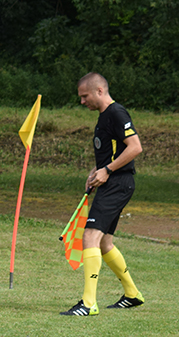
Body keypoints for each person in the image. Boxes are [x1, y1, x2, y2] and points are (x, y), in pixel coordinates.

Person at [61, 72, 144, 316]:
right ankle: (132, 294)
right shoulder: (104, 117)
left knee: (90, 236)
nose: (82, 101)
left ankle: (88, 304)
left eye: (84, 96)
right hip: (113, 182)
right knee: (105, 242)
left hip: (119, 183)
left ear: (99, 91)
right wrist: (97, 171)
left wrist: (107, 170)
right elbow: (112, 153)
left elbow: (135, 147)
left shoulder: (116, 113)